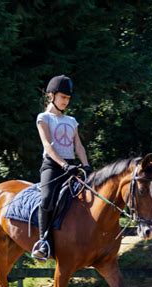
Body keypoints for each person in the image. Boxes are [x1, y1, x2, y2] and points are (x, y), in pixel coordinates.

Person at [31, 75, 92, 261]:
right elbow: (48, 146)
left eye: (68, 98)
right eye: (63, 97)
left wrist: (87, 165)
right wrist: (64, 165)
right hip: (52, 165)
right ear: (52, 95)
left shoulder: (71, 121)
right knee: (47, 198)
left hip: (71, 166)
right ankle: (43, 242)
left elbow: (78, 146)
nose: (66, 101)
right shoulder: (44, 118)